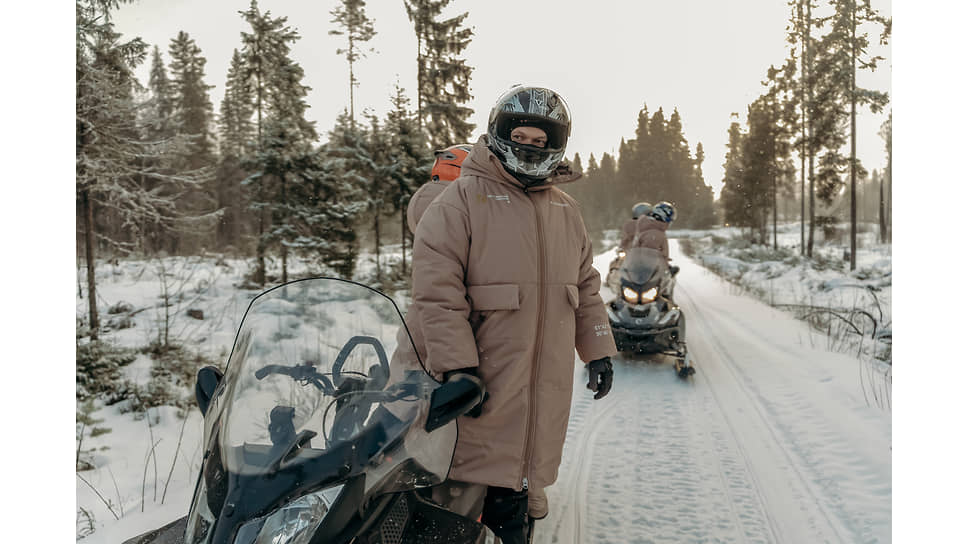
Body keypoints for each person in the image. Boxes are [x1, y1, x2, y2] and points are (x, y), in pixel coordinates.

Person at [409, 85, 617, 544]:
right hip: (477, 386)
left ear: (555, 146)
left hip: (542, 388)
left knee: (520, 489)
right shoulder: (460, 200)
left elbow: (585, 286)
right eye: (520, 135)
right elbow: (436, 293)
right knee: (457, 502)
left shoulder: (566, 210)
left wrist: (598, 348)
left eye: (540, 141)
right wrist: (457, 368)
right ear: (499, 134)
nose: (528, 146)